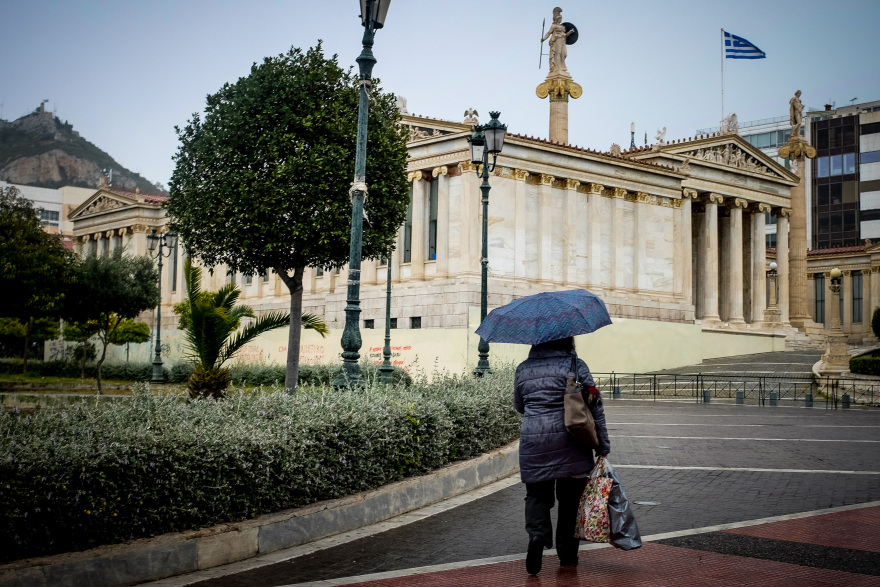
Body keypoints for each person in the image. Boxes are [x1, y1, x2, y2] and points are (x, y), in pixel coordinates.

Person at [514, 336, 611, 576]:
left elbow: (519, 405)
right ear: (568, 341)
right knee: (570, 502)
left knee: (537, 496)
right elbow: (594, 407)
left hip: (534, 443)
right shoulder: (576, 366)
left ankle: (537, 536)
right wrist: (603, 445)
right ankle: (567, 555)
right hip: (572, 443)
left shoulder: (523, 369)